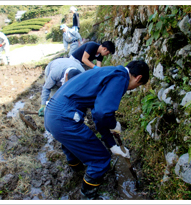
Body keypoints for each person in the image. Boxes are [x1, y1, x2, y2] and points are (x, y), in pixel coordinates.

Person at [44, 60, 150, 199]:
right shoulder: (120, 78)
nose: (132, 89)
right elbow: (103, 113)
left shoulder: (109, 72)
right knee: (101, 159)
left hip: (52, 113)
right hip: (64, 118)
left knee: (72, 144)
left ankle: (78, 171)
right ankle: (87, 195)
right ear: (138, 78)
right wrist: (113, 124)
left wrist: (111, 145)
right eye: (137, 86)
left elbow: (97, 114)